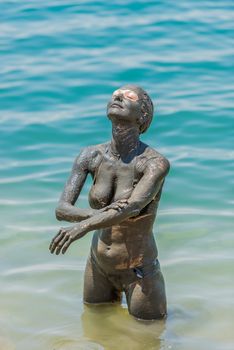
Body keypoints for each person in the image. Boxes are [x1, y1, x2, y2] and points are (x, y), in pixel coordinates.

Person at [49, 84, 170, 320]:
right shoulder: (90, 155)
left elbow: (132, 207)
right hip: (98, 265)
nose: (117, 96)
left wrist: (82, 226)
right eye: (115, 94)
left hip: (139, 271)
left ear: (142, 115)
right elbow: (62, 209)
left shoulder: (155, 164)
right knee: (95, 329)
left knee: (149, 337)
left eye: (128, 96)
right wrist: (99, 216)